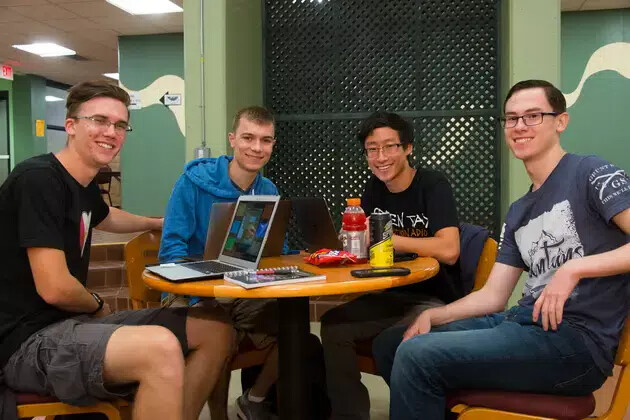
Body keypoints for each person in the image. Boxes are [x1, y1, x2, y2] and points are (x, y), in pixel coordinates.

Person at [374, 80, 630, 420]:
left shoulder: (591, 173)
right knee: (393, 343)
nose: (519, 126)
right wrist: (434, 315)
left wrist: (574, 269)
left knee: (417, 356)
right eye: (511, 118)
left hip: (575, 342)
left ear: (561, 121)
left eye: (533, 115)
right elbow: (494, 296)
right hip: (521, 323)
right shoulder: (519, 210)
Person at [0, 80, 235, 420]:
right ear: (71, 126)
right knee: (159, 347)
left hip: (70, 325)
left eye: (120, 124)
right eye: (99, 120)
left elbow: (106, 216)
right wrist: (96, 304)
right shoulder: (38, 180)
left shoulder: (81, 184)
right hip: (26, 342)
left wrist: (154, 223)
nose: (110, 132)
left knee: (215, 328)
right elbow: (54, 287)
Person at [320, 111, 461, 420]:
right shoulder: (374, 189)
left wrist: (390, 238)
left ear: (407, 148)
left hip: (432, 298)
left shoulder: (432, 184)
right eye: (372, 149)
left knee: (390, 341)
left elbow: (449, 250)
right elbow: (369, 247)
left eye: (389, 146)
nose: (380, 157)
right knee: (333, 326)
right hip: (390, 294)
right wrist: (349, 242)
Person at [159, 106, 282, 419]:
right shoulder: (191, 182)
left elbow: (269, 250)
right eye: (248, 138)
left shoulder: (268, 190)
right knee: (219, 330)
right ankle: (218, 414)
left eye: (265, 140)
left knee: (296, 333)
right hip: (191, 291)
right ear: (232, 140)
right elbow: (171, 250)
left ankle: (252, 401)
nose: (257, 147)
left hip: (243, 290)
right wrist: (205, 292)